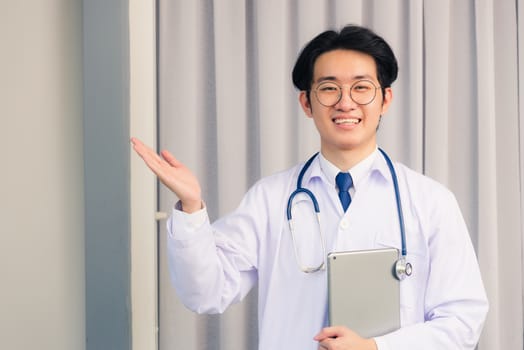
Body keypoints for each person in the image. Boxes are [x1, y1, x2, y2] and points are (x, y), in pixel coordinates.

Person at [131, 24, 488, 350]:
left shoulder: (431, 201)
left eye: (361, 88)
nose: (346, 102)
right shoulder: (270, 199)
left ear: (385, 100)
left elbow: (462, 321)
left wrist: (376, 347)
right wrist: (192, 207)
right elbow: (204, 292)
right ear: (307, 102)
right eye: (329, 88)